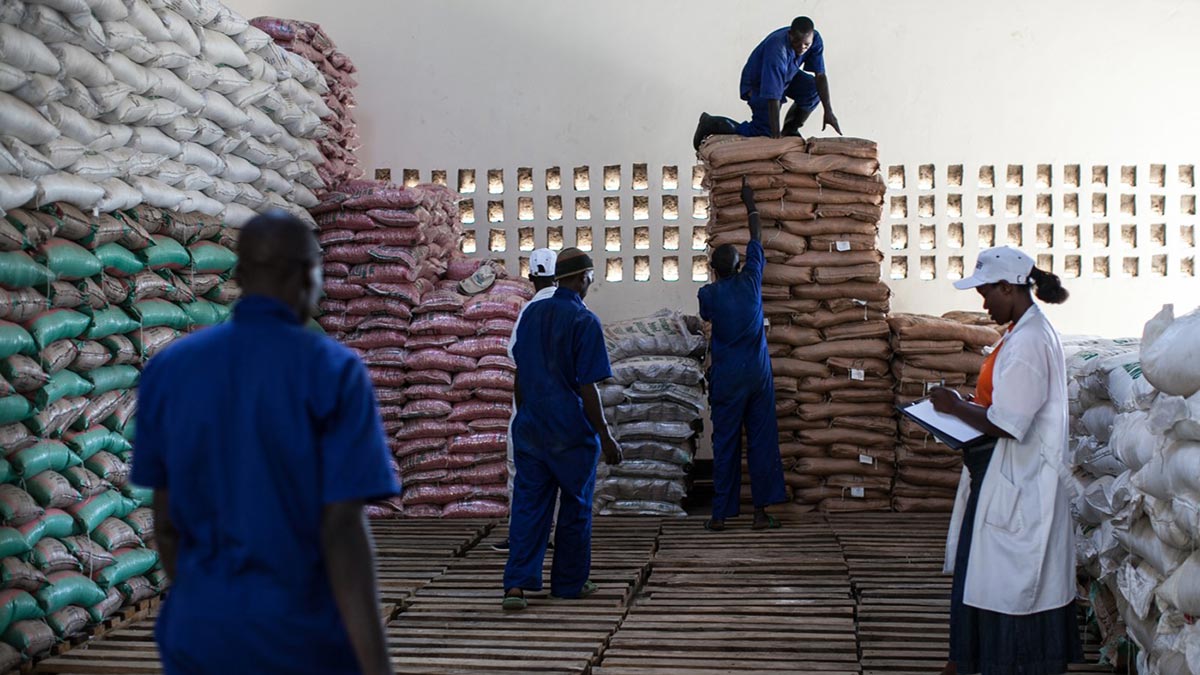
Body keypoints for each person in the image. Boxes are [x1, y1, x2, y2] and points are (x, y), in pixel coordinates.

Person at [132, 212, 398, 675]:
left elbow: (166, 522)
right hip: (300, 638)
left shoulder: (169, 370)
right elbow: (342, 533)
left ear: (239, 277)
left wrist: (208, 602)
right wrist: (376, 666)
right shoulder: (332, 370)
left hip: (199, 636)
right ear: (307, 273)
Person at [928, 246, 1083, 675]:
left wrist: (954, 405)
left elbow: (1009, 422)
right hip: (1005, 475)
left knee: (1012, 589)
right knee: (985, 576)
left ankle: (1001, 662)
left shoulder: (1030, 341)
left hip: (1022, 483)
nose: (982, 303)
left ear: (1007, 287)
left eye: (986, 293)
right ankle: (972, 658)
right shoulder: (1020, 332)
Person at [502, 248, 622, 610]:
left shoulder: (532, 313)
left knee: (529, 507)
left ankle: (516, 587)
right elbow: (588, 386)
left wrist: (525, 419)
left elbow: (520, 374)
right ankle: (568, 584)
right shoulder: (584, 321)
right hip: (570, 431)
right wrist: (605, 435)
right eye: (590, 278)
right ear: (583, 277)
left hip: (532, 426)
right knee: (575, 506)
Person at [698, 178, 788, 531]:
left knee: (727, 444)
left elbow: (707, 318)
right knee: (763, 442)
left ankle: (720, 515)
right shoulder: (752, 279)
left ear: (714, 269)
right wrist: (750, 204)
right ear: (738, 265)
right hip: (757, 375)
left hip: (728, 378)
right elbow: (756, 239)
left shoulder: (709, 294)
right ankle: (760, 513)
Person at [493, 248, 558, 553]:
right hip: (564, 404)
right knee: (561, 471)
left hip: (531, 400)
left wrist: (522, 415)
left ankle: (523, 534)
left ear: (532, 277)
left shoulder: (528, 311)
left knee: (521, 470)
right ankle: (558, 532)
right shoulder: (577, 308)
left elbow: (516, 359)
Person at [693, 16, 842, 150]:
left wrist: (828, 111)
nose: (801, 47)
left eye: (806, 45)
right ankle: (712, 123)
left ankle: (790, 129)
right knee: (764, 132)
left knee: (813, 88)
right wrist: (776, 139)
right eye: (797, 41)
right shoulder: (777, 50)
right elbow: (773, 97)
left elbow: (820, 76)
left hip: (787, 75)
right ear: (790, 34)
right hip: (758, 83)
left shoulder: (815, 40)